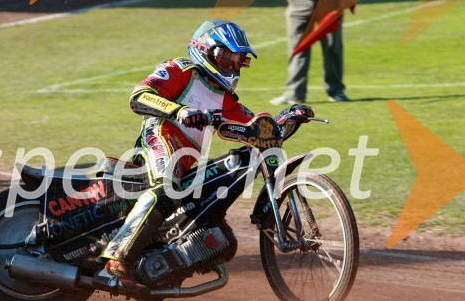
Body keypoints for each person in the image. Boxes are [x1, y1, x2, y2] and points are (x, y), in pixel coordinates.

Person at [99, 20, 314, 282]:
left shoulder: (225, 99)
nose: (232, 65)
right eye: (227, 56)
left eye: (238, 60)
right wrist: (180, 111)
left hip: (186, 164)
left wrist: (287, 119)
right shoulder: (182, 69)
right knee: (167, 188)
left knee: (222, 239)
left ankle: (157, 271)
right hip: (159, 139)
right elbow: (139, 95)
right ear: (207, 50)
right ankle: (118, 256)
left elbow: (256, 129)